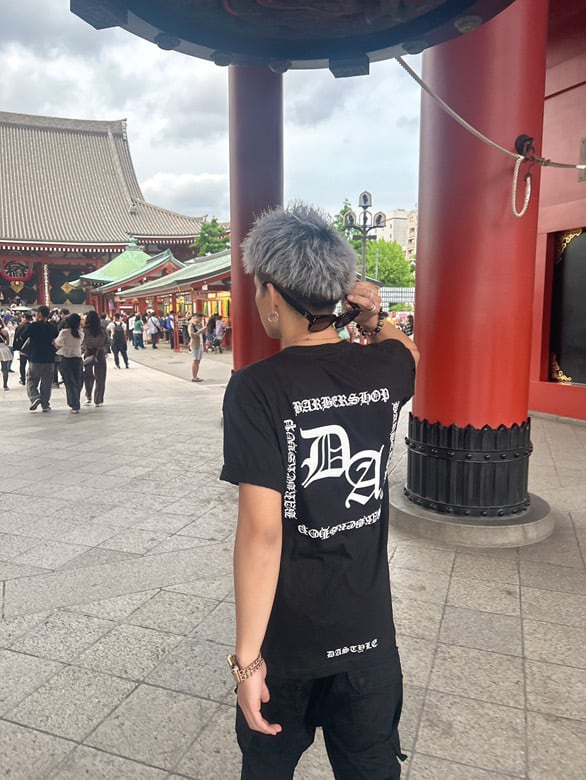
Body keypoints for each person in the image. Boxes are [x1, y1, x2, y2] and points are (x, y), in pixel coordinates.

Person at [220, 204, 419, 780]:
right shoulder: (385, 368)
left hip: (288, 646)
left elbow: (262, 534)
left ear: (272, 294)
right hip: (369, 638)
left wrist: (247, 662)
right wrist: (373, 316)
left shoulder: (256, 389)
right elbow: (408, 352)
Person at [25, 305, 58, 412]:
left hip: (35, 357)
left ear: (39, 314)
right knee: (47, 383)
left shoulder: (33, 326)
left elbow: (23, 336)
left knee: (31, 380)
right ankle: (45, 405)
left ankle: (35, 397)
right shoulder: (52, 327)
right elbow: (56, 339)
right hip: (49, 358)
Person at [53, 313, 84, 413]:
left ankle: (74, 404)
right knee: (77, 381)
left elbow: (58, 345)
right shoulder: (81, 333)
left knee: (69, 382)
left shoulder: (64, 332)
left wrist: (53, 342)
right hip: (78, 358)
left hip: (66, 358)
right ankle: (75, 401)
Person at [83, 310, 110, 407]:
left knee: (88, 376)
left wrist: (83, 350)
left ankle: (88, 396)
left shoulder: (84, 330)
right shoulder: (102, 330)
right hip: (100, 353)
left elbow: (82, 343)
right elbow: (108, 342)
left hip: (88, 353)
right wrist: (104, 350)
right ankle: (98, 400)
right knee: (100, 377)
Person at [13, 312, 32, 385]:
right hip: (31, 349)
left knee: (22, 365)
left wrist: (16, 347)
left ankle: (23, 379)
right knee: (31, 364)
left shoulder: (19, 327)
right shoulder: (33, 326)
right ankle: (30, 377)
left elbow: (16, 338)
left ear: (24, 318)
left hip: (22, 348)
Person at [188, 313, 206, 382]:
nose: (200, 320)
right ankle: (194, 377)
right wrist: (200, 331)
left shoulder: (199, 325)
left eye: (201, 319)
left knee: (198, 361)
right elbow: (192, 335)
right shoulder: (191, 325)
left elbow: (202, 333)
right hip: (195, 345)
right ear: (195, 318)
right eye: (199, 319)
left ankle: (196, 376)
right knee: (195, 360)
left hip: (200, 344)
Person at [0, 321, 12, 390]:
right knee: (5, 369)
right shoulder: (5, 331)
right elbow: (7, 343)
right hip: (3, 349)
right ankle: (5, 385)